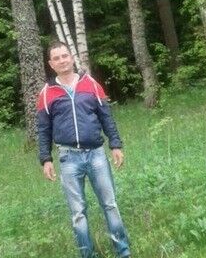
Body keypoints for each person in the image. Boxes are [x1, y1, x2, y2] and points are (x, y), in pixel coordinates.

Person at [37, 40, 131, 258]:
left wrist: (115, 144)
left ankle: (123, 252)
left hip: (97, 154)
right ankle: (87, 255)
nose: (62, 60)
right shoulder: (46, 93)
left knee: (110, 204)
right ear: (51, 64)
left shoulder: (91, 84)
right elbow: (43, 129)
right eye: (56, 58)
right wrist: (46, 159)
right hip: (68, 158)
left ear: (71, 57)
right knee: (78, 213)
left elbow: (106, 117)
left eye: (64, 56)